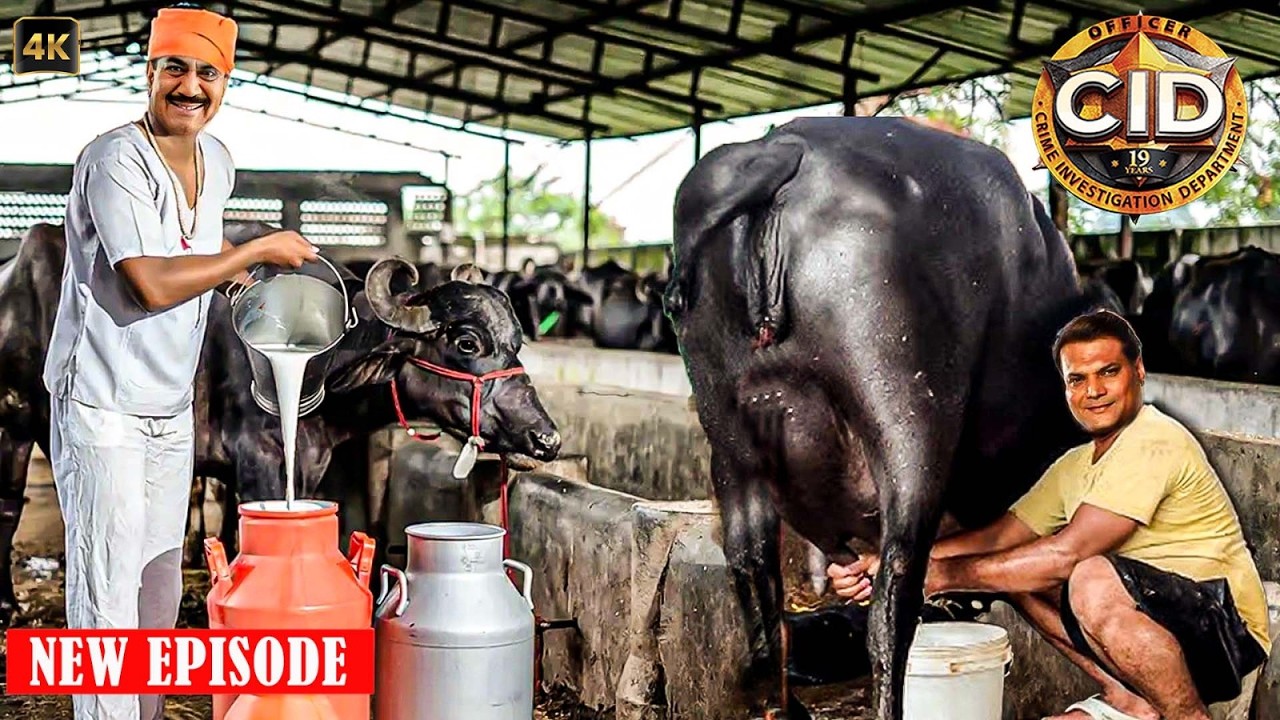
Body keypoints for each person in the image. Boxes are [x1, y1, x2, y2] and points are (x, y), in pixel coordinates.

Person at [41, 5, 318, 719]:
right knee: (106, 583)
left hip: (167, 403)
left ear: (224, 83)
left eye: (207, 73)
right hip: (101, 401)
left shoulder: (217, 162)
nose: (190, 86)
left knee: (160, 580)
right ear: (150, 73)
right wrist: (256, 249)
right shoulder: (113, 159)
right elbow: (151, 281)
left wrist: (244, 282)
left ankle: (148, 713)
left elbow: (199, 256)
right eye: (175, 68)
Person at [828, 310, 1271, 720]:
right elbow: (1000, 539)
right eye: (1077, 379)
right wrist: (894, 564)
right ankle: (1129, 696)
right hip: (1153, 636)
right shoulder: (1075, 465)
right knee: (1014, 577)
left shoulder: (1154, 439)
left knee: (1087, 575)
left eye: (1108, 373)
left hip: (1226, 633)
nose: (1092, 391)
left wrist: (940, 577)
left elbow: (1065, 555)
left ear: (1138, 372)